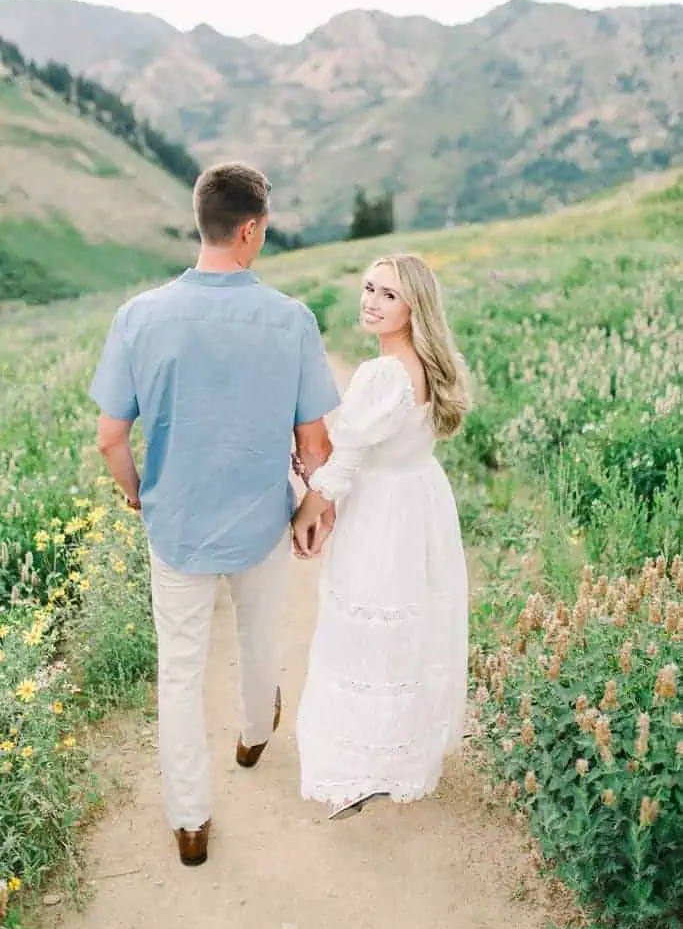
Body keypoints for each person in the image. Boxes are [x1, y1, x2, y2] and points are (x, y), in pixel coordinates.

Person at [89, 161, 340, 865]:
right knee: (259, 640)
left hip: (176, 526)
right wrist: (314, 504)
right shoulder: (290, 319)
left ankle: (189, 822)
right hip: (262, 519)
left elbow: (110, 437)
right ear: (250, 229)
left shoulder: (138, 316)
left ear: (202, 223)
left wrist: (138, 489)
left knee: (180, 669)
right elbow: (314, 441)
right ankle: (255, 733)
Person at [292, 253, 470, 820]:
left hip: (383, 512)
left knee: (364, 624)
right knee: (405, 624)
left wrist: (308, 510)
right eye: (368, 288)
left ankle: (364, 765)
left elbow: (345, 465)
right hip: (420, 503)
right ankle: (399, 752)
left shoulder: (382, 373)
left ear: (414, 305)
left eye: (388, 294)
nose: (370, 301)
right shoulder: (426, 364)